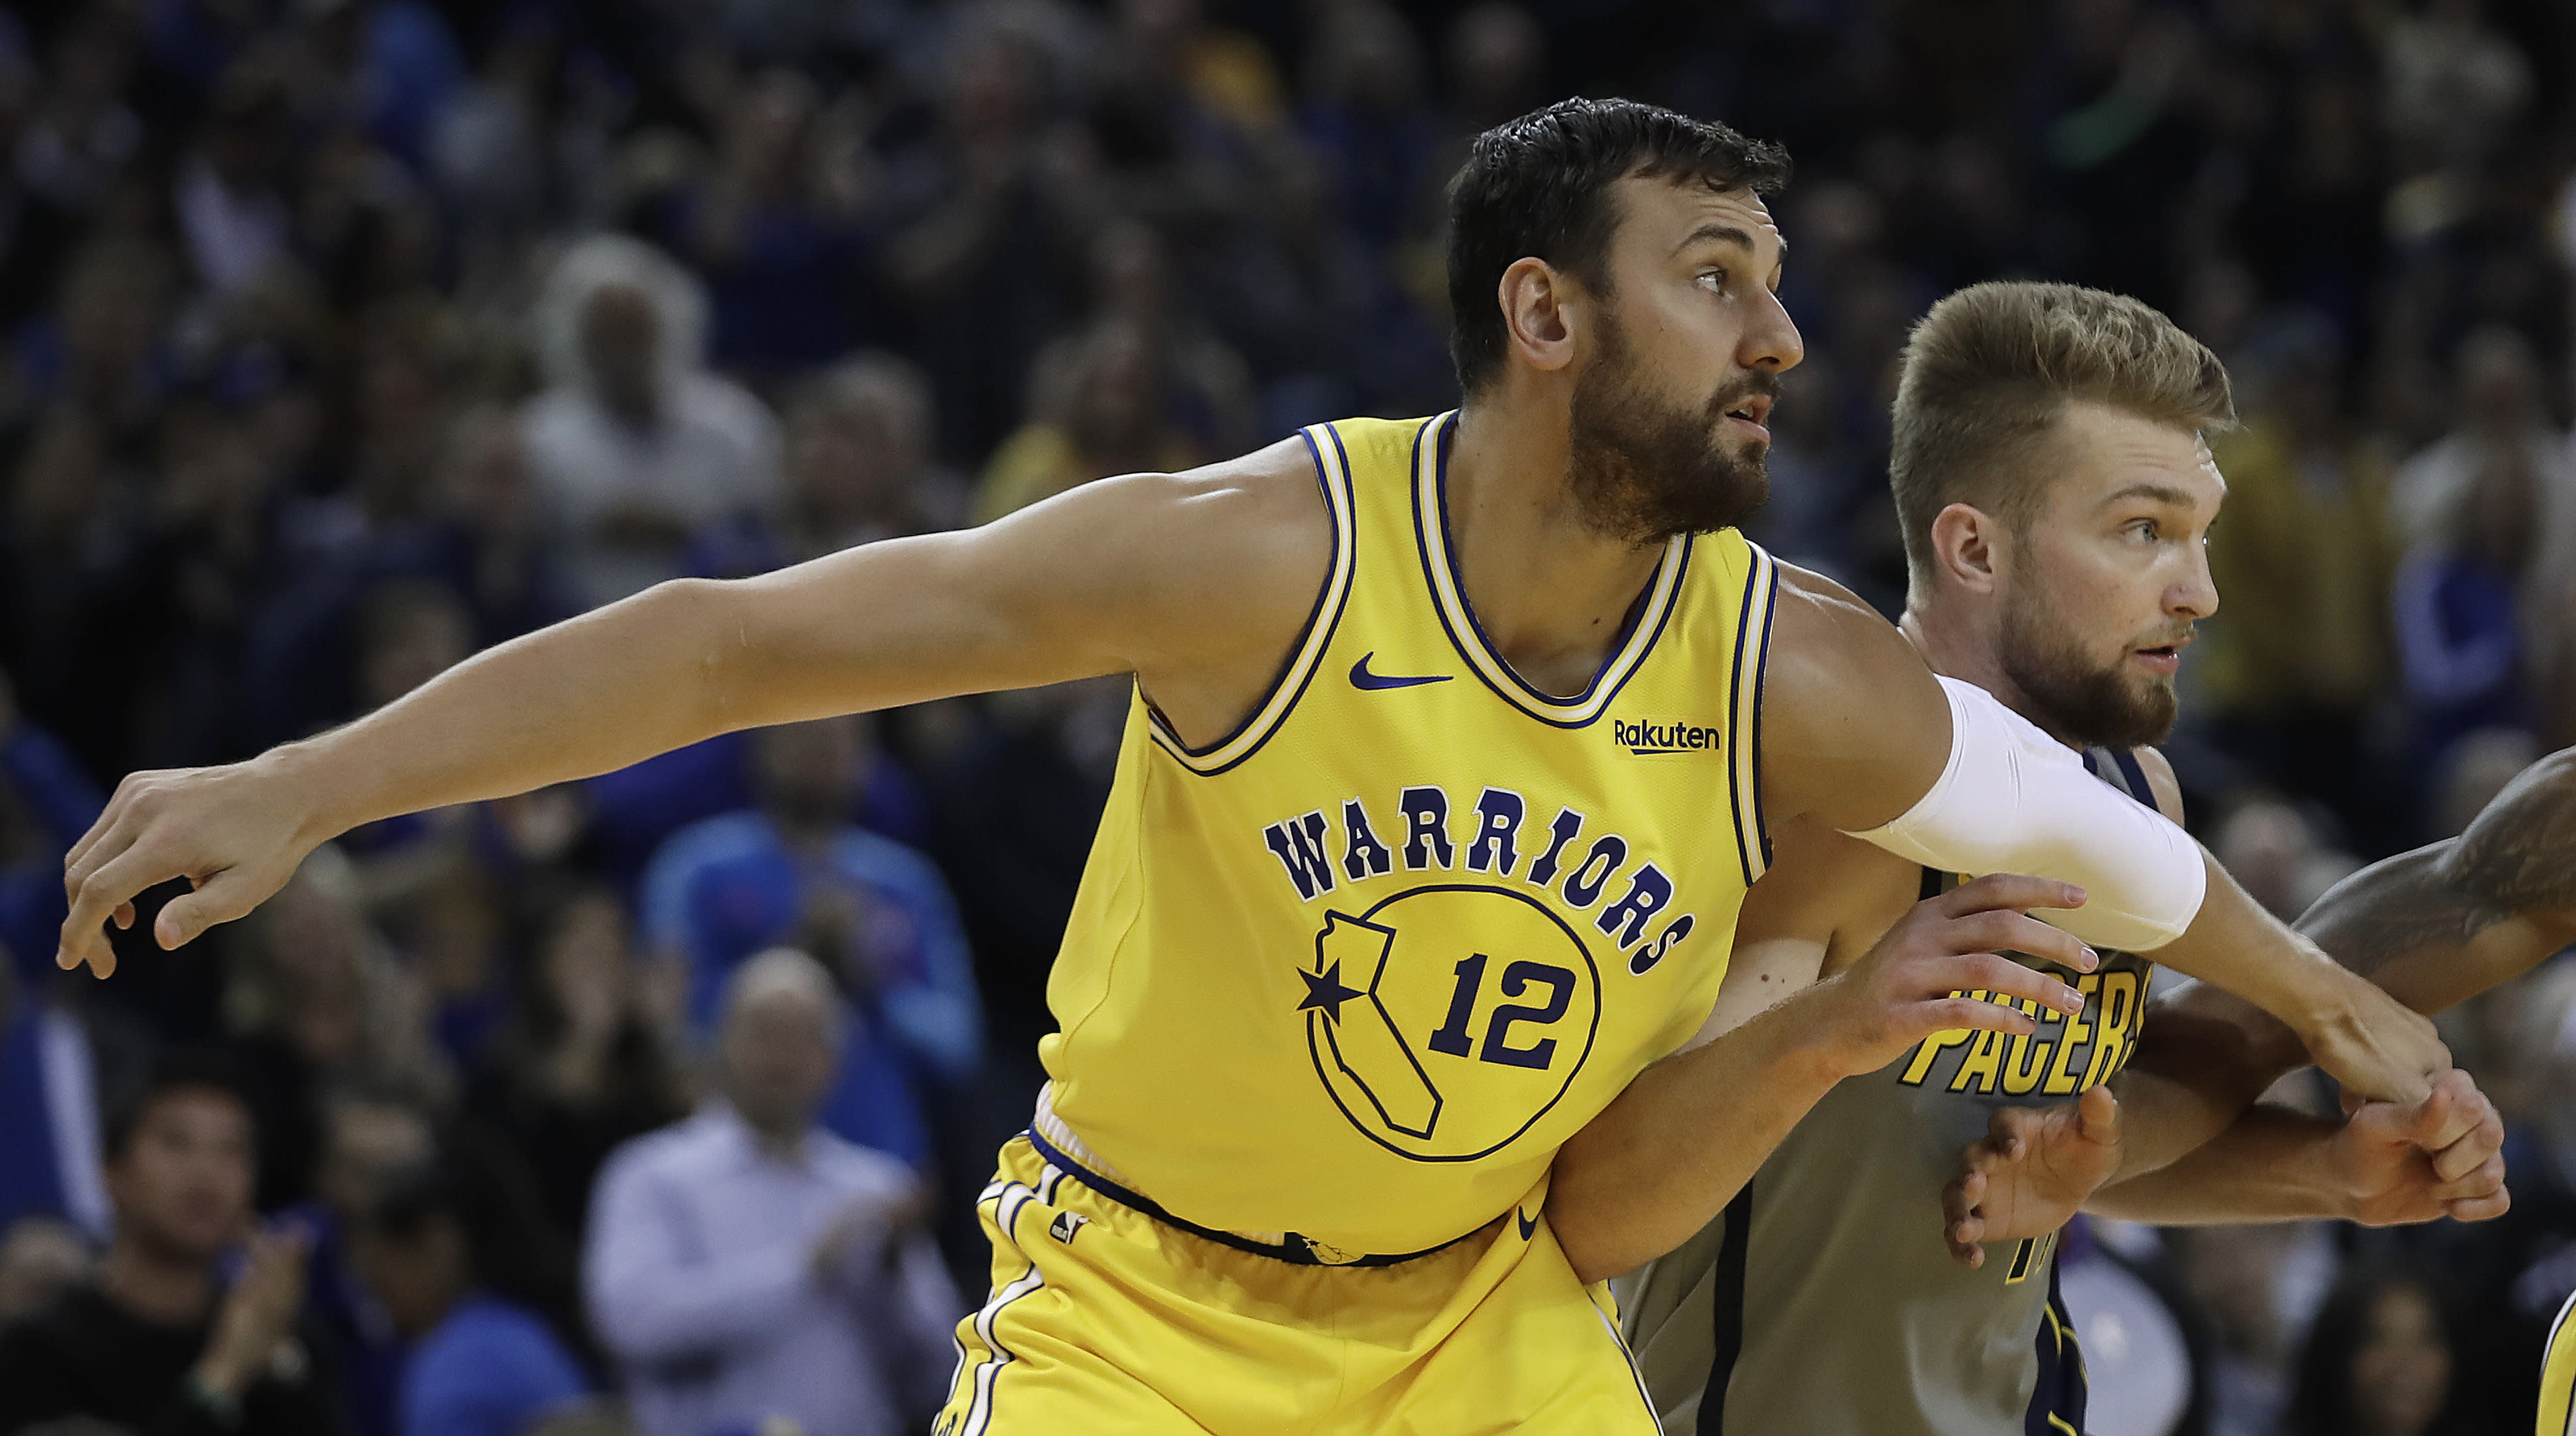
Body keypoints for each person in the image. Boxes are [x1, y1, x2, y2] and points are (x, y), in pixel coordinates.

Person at [59, 99, 2448, 1433]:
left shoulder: (1779, 670)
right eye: (1717, 273)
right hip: (1135, 1312)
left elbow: (2084, 851)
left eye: (1780, 278)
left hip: (1479, 1316)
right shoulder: (1258, 561)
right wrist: (311, 782)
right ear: (1544, 313)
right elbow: (730, 644)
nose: (1782, 331)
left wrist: (2356, 1025)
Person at [1564, 280, 2502, 1435]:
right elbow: (1609, 1206)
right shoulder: (1835, 810)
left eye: (2201, 539)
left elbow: (2027, 1157)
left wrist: (2326, 1177)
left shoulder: (2139, 793)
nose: (2198, 592)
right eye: (2143, 531)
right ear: (1973, 548)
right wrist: (1841, 1021)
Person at [582, 950, 959, 1436]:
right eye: (765, 1031)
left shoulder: (876, 1188)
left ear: (833, 1058)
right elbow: (631, 1324)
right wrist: (802, 1270)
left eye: (805, 1035)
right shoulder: (652, 1174)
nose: (783, 1053)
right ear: (723, 1041)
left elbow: (946, 1378)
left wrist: (893, 1281)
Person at [0, 1051, 342, 1436]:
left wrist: (280, 1360)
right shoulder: (41, 1351)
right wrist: (223, 1375)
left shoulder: (285, 1345)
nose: (205, 1170)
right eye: (176, 1142)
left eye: (232, 1150)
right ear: (112, 1173)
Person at [348, 1150, 591, 1436]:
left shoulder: (462, 1365)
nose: (378, 1302)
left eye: (382, 1282)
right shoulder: (520, 1331)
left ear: (438, 1245)